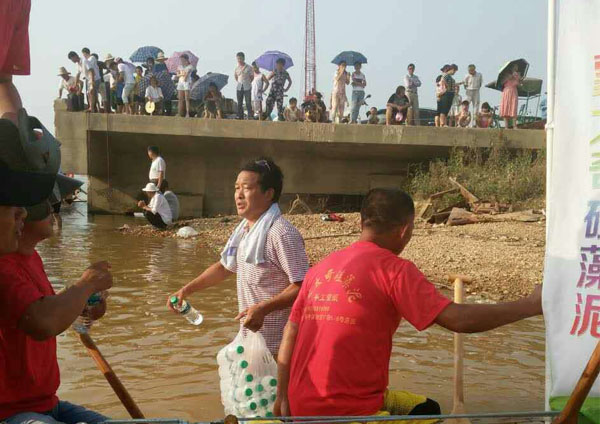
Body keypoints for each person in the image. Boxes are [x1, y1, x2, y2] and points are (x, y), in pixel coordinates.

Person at [274, 188, 543, 417]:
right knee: (428, 415)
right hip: (349, 413)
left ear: (361, 224)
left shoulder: (320, 268)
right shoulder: (394, 270)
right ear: (404, 230)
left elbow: (291, 331)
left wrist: (282, 396)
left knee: (428, 408)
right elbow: (459, 320)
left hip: (298, 404)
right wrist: (530, 305)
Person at [168, 158, 309, 355]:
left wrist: (264, 308)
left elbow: (304, 286)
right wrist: (186, 290)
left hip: (280, 345)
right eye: (236, 188)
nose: (239, 195)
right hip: (252, 341)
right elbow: (225, 267)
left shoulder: (281, 233)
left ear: (269, 193)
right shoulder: (244, 230)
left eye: (246, 188)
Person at [0, 199, 113, 424]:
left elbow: (51, 309)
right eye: (44, 205)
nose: (52, 211)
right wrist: (86, 284)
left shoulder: (32, 258)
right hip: (10, 411)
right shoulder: (4, 267)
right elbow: (43, 322)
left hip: (47, 403)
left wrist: (84, 307)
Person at [500, 64, 521, 129]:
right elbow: (502, 82)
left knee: (513, 107)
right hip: (507, 91)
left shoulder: (518, 74)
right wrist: (509, 77)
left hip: (514, 91)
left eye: (516, 67)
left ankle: (514, 125)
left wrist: (518, 77)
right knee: (505, 107)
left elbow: (518, 83)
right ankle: (506, 125)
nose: (516, 68)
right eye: (514, 67)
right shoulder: (506, 74)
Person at [80, 48, 101, 113]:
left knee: (92, 93)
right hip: (91, 79)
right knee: (90, 93)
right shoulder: (88, 60)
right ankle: (92, 107)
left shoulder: (88, 60)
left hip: (94, 79)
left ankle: (92, 108)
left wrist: (92, 82)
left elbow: (91, 70)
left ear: (84, 53)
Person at [234, 52, 253, 120]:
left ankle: (250, 116)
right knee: (239, 103)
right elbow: (236, 77)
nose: (239, 60)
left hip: (247, 86)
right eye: (238, 58)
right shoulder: (236, 68)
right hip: (239, 87)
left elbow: (252, 77)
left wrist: (247, 82)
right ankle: (240, 116)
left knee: (248, 102)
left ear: (243, 58)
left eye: (240, 58)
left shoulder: (249, 67)